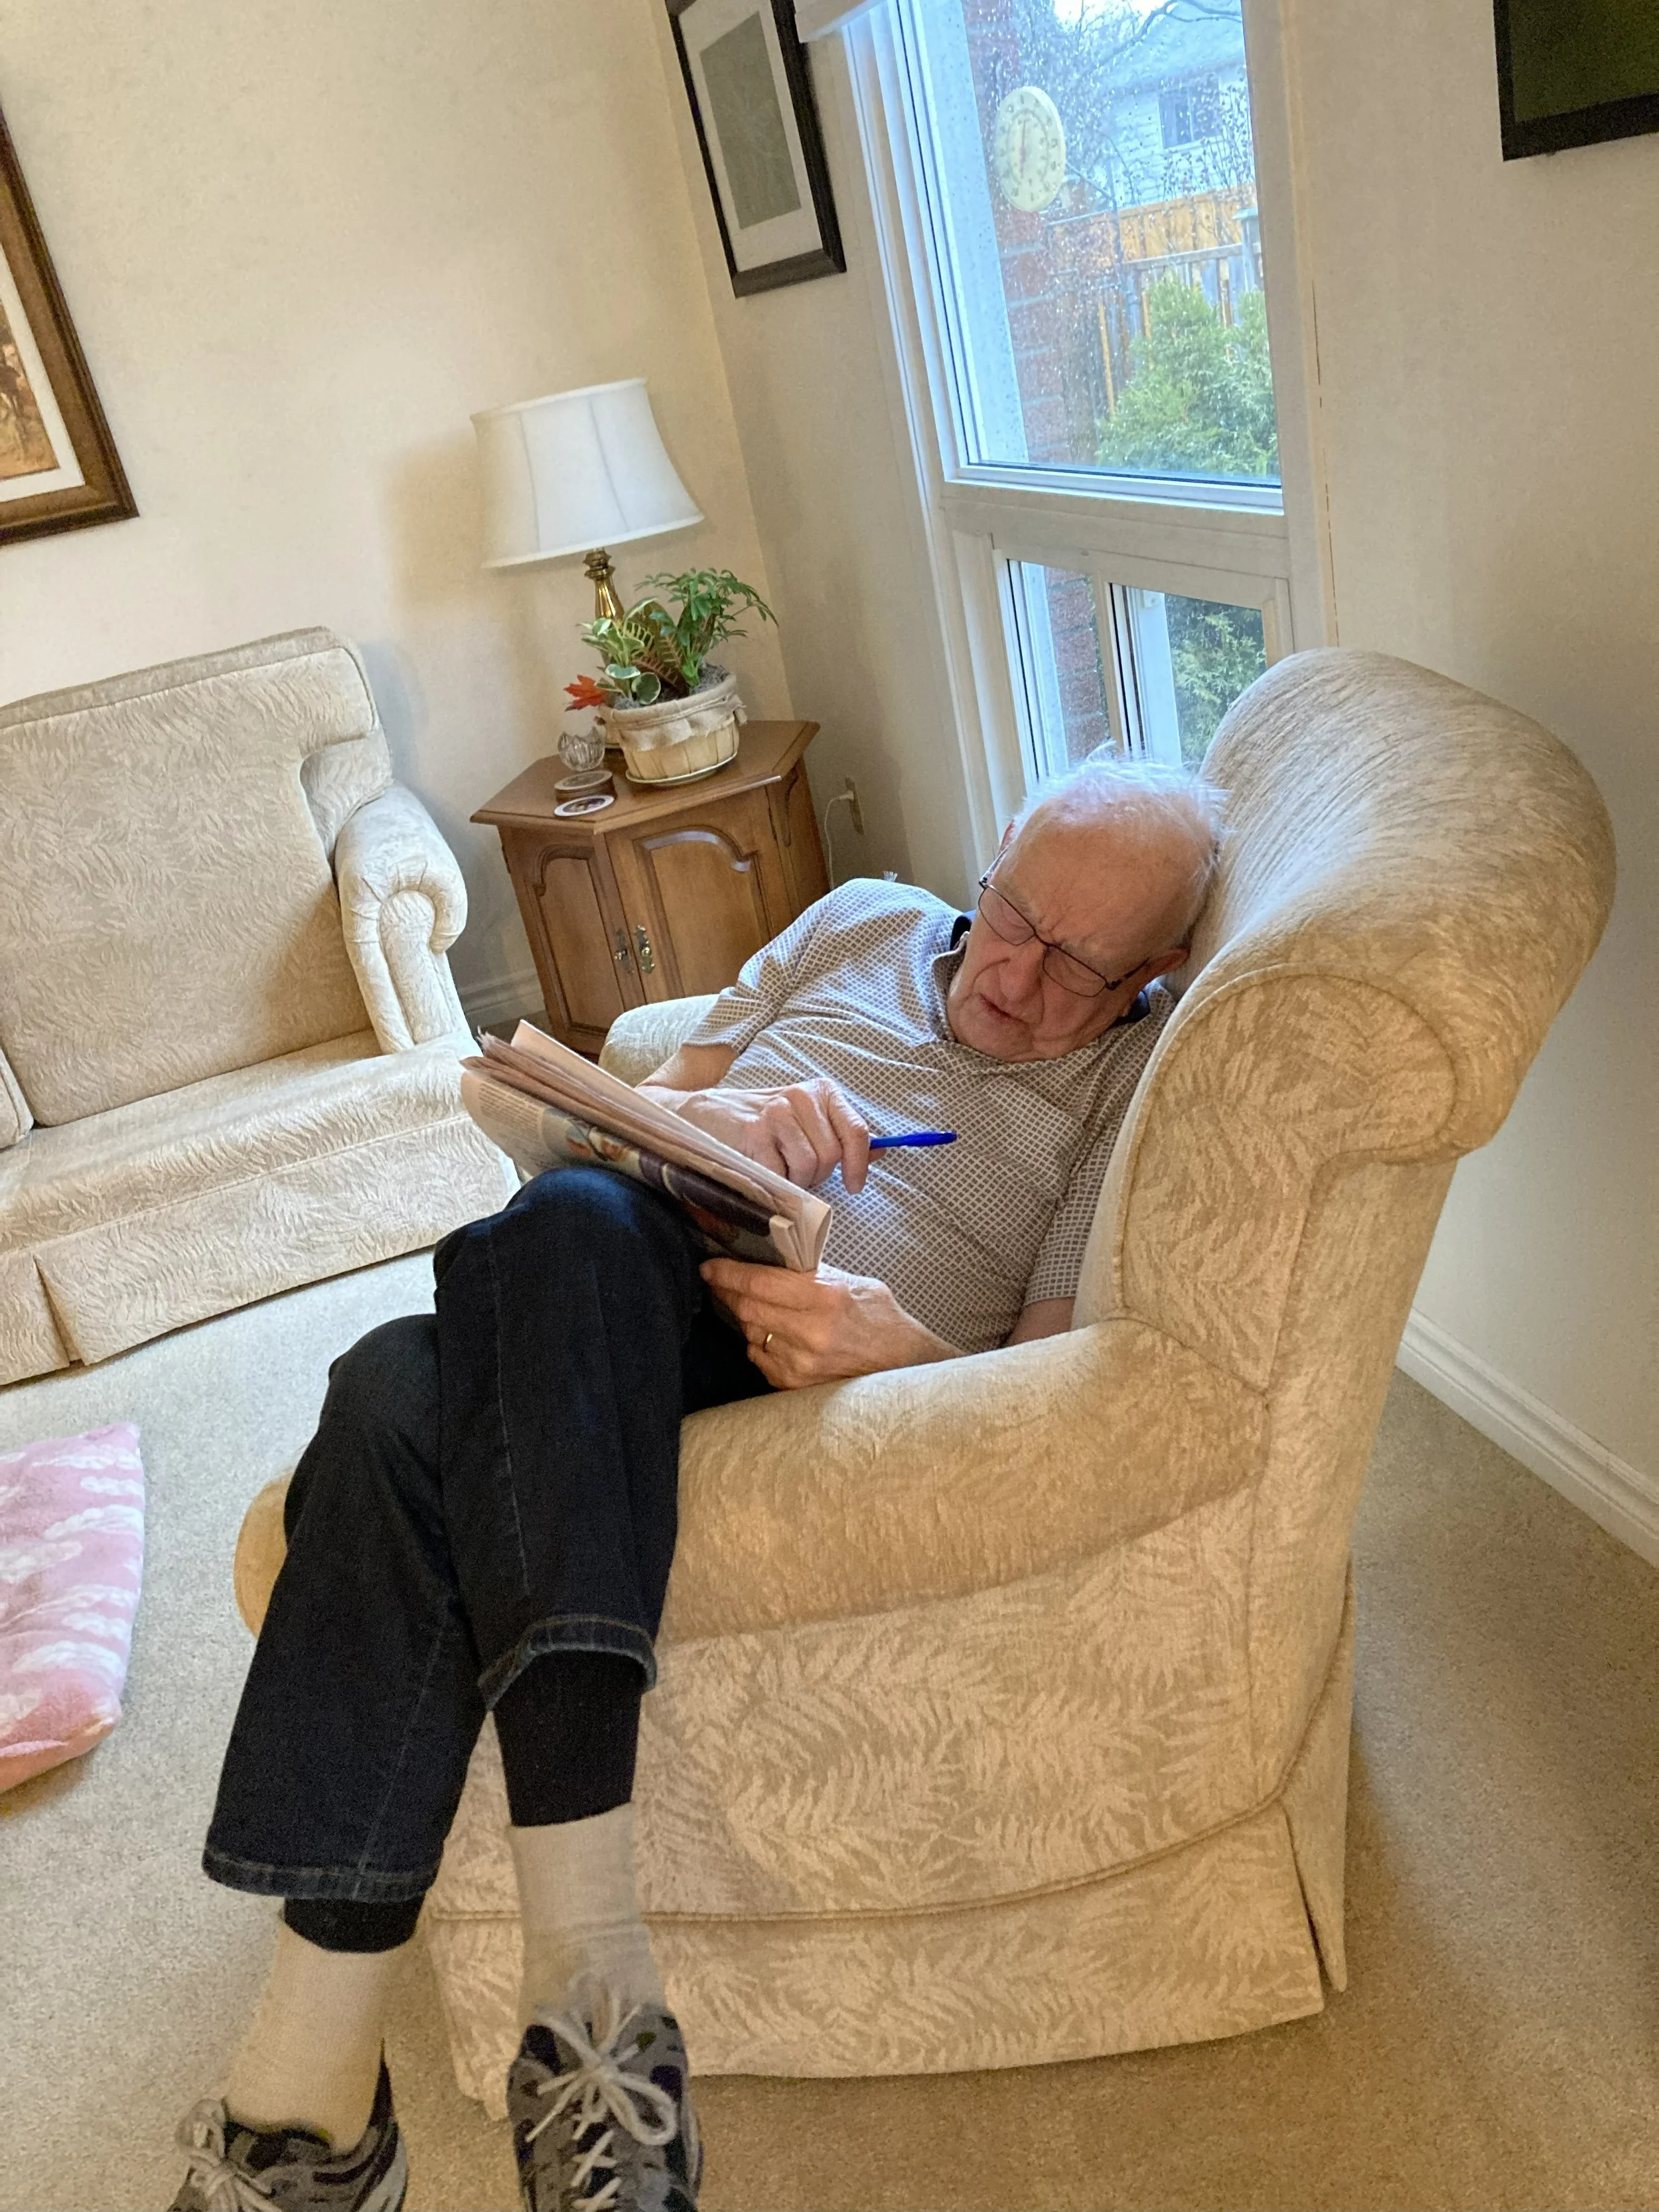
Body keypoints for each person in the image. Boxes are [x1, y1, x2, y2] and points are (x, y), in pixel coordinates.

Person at [168, 756, 1224, 2212]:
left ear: (1148, 977)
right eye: (1008, 916)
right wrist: (711, 1132)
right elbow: (591, 1113)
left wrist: (890, 1343)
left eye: (1073, 963)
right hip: (625, 1284)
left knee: (391, 1390)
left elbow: (1041, 1378)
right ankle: (590, 1994)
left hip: (792, 1383)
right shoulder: (859, 919)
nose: (1013, 973)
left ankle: (306, 2112)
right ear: (987, 870)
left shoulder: (1121, 1089)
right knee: (569, 1222)